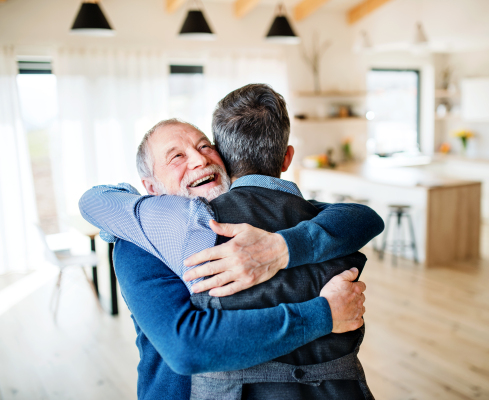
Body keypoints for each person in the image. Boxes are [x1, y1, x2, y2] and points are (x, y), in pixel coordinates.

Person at [80, 86, 382, 399]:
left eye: (205, 147)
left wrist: (283, 247)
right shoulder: (139, 244)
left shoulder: (258, 216)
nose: (199, 159)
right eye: (177, 157)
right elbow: (187, 347)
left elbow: (360, 217)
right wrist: (324, 314)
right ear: (151, 187)